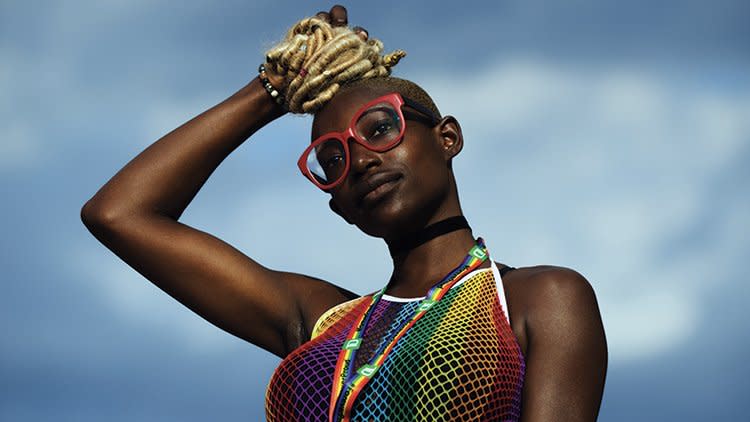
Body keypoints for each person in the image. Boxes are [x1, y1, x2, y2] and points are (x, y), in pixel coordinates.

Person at [81, 5, 607, 421]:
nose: (360, 161)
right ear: (338, 207)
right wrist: (273, 89)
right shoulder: (325, 323)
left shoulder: (542, 298)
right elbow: (118, 213)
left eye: (379, 129)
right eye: (333, 161)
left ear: (448, 137)